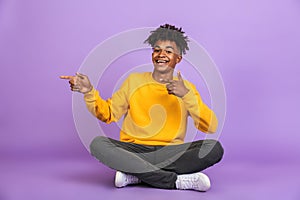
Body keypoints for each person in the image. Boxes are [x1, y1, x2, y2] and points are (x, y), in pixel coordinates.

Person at [60, 24, 224, 192]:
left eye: (168, 51)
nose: (161, 55)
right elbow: (109, 114)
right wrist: (89, 92)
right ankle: (174, 181)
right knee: (98, 144)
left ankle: (136, 174)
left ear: (178, 58)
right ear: (152, 54)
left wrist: (186, 95)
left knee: (214, 148)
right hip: (134, 150)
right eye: (157, 50)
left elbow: (211, 127)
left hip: (170, 152)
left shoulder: (186, 88)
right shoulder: (133, 81)